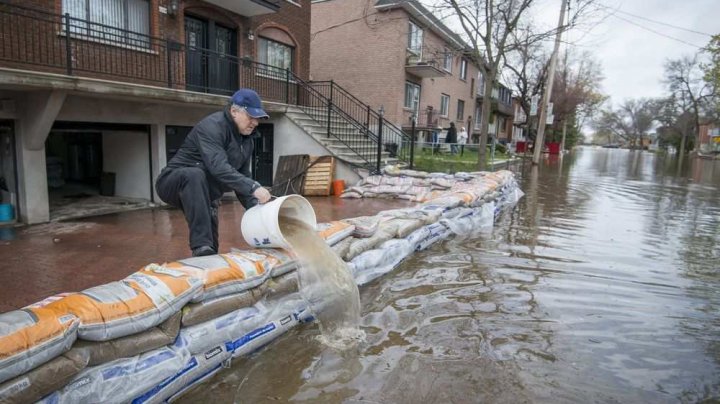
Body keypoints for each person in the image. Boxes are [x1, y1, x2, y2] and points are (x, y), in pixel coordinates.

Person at [156, 89, 273, 257]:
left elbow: (243, 177)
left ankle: (206, 255)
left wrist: (258, 208)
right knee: (194, 175)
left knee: (211, 246)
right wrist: (254, 187)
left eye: (258, 118)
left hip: (205, 192)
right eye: (251, 116)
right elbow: (218, 167)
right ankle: (201, 245)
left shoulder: (247, 142)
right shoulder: (212, 126)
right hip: (172, 182)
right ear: (234, 111)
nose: (255, 122)